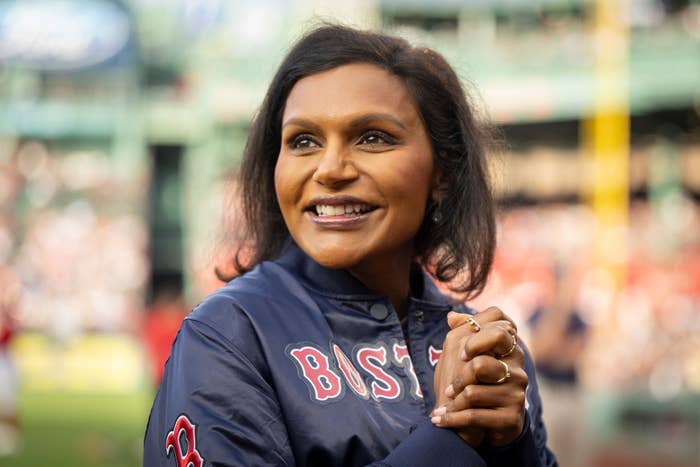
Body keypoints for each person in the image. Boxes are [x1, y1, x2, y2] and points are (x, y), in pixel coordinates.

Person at [144, 24, 557, 466]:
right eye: (303, 141)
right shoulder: (231, 335)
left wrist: (513, 446)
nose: (330, 168)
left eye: (372, 137)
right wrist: (452, 434)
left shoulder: (488, 351)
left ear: (443, 172)